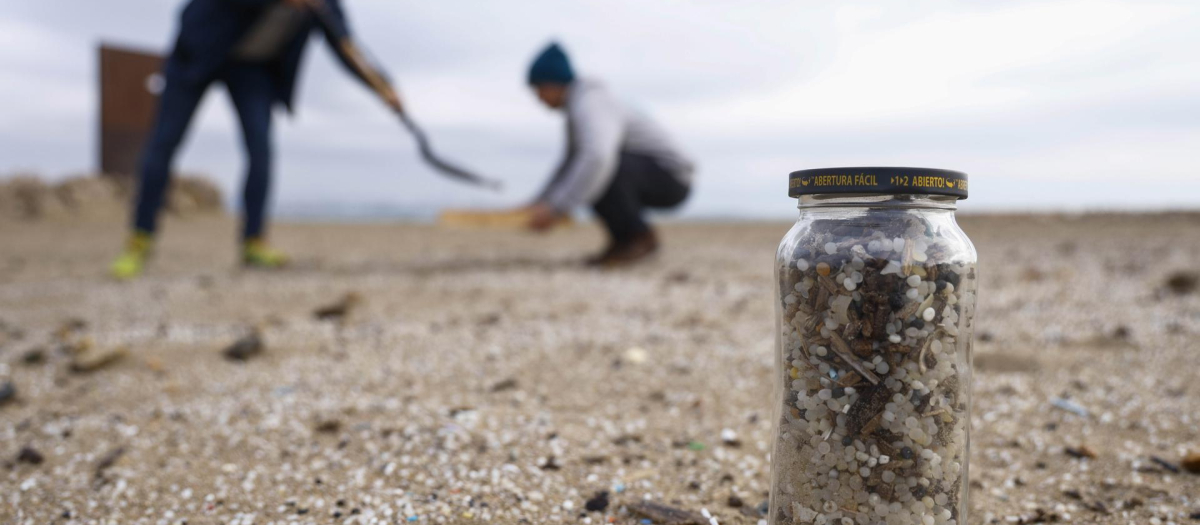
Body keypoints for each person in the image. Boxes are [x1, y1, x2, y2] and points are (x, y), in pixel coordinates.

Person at [110, 0, 401, 279]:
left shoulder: (324, 4)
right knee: (165, 141)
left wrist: (384, 88)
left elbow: (345, 46)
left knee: (260, 150)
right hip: (198, 53)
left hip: (251, 69)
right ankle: (140, 239)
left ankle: (254, 242)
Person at [523, 43, 695, 267]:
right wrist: (542, 201)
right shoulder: (578, 107)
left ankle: (639, 238)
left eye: (538, 88)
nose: (538, 97)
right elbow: (568, 165)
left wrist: (556, 207)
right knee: (586, 174)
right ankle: (623, 242)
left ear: (553, 83)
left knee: (599, 170)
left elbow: (597, 156)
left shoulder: (591, 103)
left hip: (672, 177)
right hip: (647, 170)